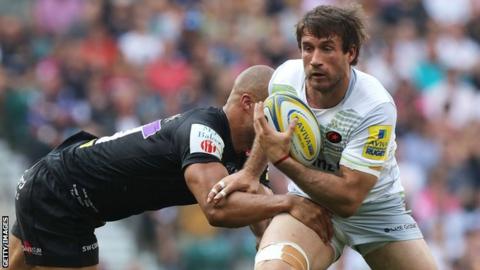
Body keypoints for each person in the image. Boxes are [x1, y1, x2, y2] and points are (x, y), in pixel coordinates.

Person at [8, 65, 332, 270]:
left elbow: (262, 220)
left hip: (57, 185)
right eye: (274, 111)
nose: (278, 122)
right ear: (248, 103)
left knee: (8, 262)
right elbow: (216, 209)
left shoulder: (246, 154)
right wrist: (289, 201)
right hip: (61, 192)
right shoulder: (203, 129)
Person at [208, 5, 437, 270]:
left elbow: (349, 198)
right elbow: (273, 126)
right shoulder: (285, 79)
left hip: (376, 210)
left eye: (326, 48)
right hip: (310, 201)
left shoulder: (374, 106)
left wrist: (282, 160)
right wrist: (250, 173)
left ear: (351, 53)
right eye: (307, 47)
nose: (314, 59)